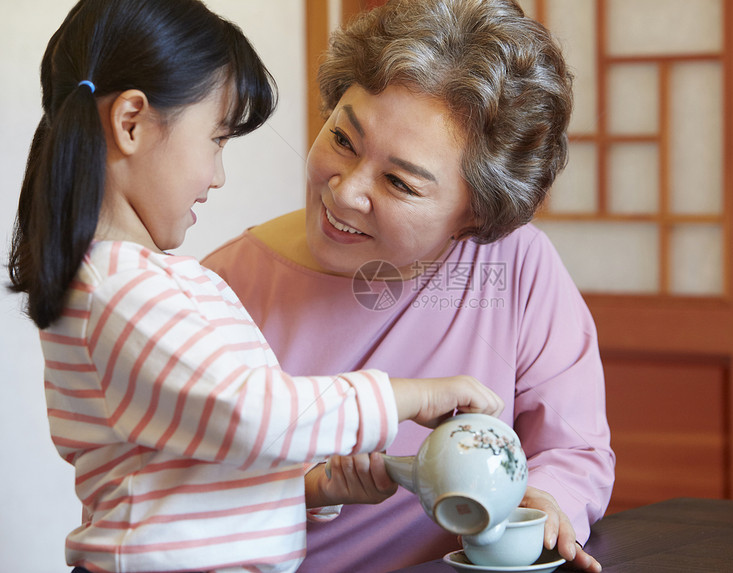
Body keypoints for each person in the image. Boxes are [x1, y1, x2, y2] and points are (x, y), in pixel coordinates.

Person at [5, 1, 504, 572]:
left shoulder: (153, 283)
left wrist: (313, 487)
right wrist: (408, 396)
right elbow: (246, 414)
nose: (218, 176)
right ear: (131, 123)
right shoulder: (116, 288)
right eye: (217, 140)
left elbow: (202, 463)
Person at [202, 0, 615, 571]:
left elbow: (572, 448)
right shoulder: (221, 288)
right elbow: (181, 500)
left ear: (476, 216)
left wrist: (542, 504)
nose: (345, 192)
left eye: (398, 181)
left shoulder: (515, 267)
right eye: (343, 140)